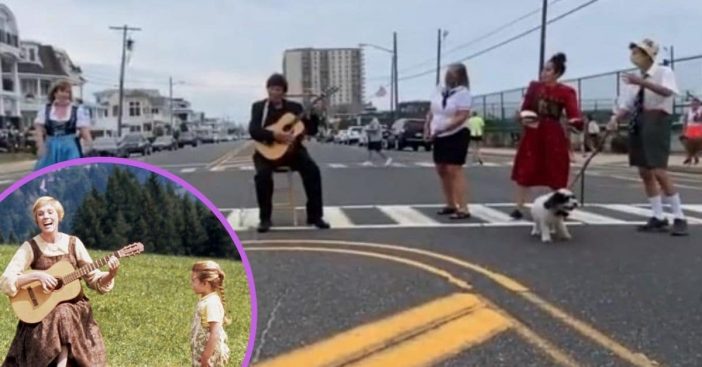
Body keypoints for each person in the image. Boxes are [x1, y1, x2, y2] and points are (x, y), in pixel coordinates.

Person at [1, 196, 120, 367]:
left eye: (50, 212)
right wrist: (37, 276)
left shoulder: (73, 243)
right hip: (42, 312)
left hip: (75, 310)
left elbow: (93, 278)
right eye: (40, 214)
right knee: (61, 312)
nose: (46, 217)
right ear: (36, 220)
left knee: (64, 311)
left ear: (59, 216)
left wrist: (111, 274)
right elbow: (6, 280)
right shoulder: (30, 247)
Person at [607, 38, 688, 236]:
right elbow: (627, 104)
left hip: (658, 118)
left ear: (648, 55)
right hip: (639, 119)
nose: (634, 56)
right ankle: (657, 216)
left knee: (659, 169)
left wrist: (642, 82)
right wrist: (615, 118)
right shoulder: (635, 79)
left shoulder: (663, 72)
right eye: (633, 52)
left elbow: (667, 92)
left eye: (638, 52)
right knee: (644, 171)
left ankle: (679, 216)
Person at [249, 73, 330, 233]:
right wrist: (275, 135)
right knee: (262, 176)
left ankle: (315, 216)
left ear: (284, 91)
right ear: (268, 90)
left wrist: (315, 115)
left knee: (313, 171)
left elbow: (311, 130)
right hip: (266, 153)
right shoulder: (259, 107)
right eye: (272, 88)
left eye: (278, 89)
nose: (275, 92)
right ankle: (265, 219)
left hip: (293, 152)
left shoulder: (295, 108)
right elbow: (254, 130)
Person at [510, 53, 583, 219]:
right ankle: (519, 207)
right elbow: (525, 107)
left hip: (553, 133)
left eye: (548, 70)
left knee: (556, 170)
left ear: (557, 73)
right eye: (543, 69)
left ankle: (561, 205)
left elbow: (573, 112)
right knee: (526, 168)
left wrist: (576, 122)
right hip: (533, 131)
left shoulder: (566, 91)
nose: (544, 72)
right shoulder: (534, 87)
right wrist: (521, 116)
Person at [424, 63, 473, 219]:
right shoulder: (439, 90)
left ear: (460, 76)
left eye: (453, 73)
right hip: (438, 133)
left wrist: (445, 127)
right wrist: (427, 127)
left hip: (457, 133)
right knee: (441, 169)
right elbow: (432, 111)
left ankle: (463, 207)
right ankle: (450, 204)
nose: (449, 76)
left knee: (454, 169)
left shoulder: (463, 93)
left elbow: (462, 115)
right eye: (448, 73)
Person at [34, 79, 92, 171]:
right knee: (45, 174)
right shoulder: (45, 109)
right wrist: (40, 146)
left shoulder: (76, 110)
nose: (65, 94)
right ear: (55, 93)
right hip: (50, 147)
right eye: (62, 91)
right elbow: (39, 130)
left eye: (68, 92)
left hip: (69, 147)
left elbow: (84, 130)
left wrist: (89, 144)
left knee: (72, 173)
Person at [190, 261, 231, 367]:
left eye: (194, 280)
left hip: (210, 357)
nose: (191, 284)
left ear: (205, 283)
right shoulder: (206, 300)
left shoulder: (211, 303)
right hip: (202, 352)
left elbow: (215, 333)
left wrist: (206, 357)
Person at [681, 97, 702, 165]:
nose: (694, 105)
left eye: (696, 104)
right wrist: (684, 131)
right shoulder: (688, 111)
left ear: (699, 104)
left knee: (697, 144)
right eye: (693, 104)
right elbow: (685, 121)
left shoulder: (700, 111)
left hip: (698, 128)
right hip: (690, 128)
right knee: (688, 144)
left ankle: (691, 156)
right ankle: (691, 157)